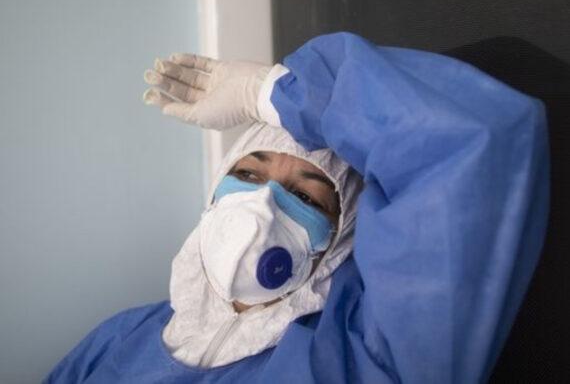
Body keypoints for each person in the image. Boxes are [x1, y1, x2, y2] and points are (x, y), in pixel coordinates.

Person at [44, 32, 549, 383]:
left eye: (306, 197)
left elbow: (470, 146)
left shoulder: (358, 358)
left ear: (337, 242)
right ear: (213, 195)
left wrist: (269, 93)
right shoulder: (120, 337)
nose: (261, 205)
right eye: (247, 175)